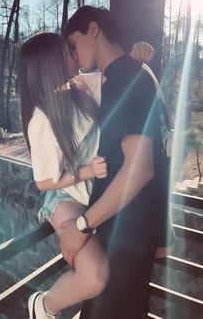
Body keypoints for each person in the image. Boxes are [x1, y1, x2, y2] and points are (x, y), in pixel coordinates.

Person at [18, 32, 154, 319]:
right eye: (66, 52)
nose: (74, 55)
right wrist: (86, 171)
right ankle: (44, 306)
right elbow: (43, 182)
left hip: (93, 193)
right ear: (51, 63)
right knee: (94, 276)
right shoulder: (41, 119)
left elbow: (117, 76)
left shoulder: (83, 87)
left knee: (113, 265)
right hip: (65, 198)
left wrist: (137, 53)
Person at [60, 6, 175, 319]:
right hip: (132, 235)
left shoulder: (125, 77)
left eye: (74, 44)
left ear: (94, 29)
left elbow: (139, 168)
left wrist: (82, 226)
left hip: (126, 237)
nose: (73, 55)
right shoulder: (127, 75)